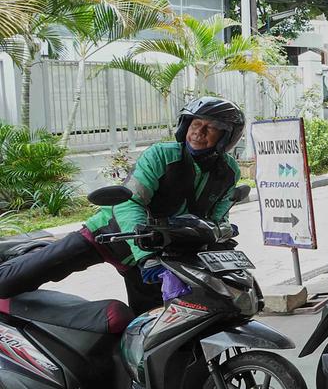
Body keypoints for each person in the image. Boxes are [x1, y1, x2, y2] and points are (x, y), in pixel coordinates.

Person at [0, 97, 244, 313]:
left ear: (227, 137)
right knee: (8, 282)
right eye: (195, 124)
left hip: (161, 255)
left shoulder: (228, 171)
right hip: (111, 236)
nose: (199, 132)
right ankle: (30, 252)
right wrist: (145, 255)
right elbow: (130, 202)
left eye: (210, 128)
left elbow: (217, 218)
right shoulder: (162, 155)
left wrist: (221, 232)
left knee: (152, 326)